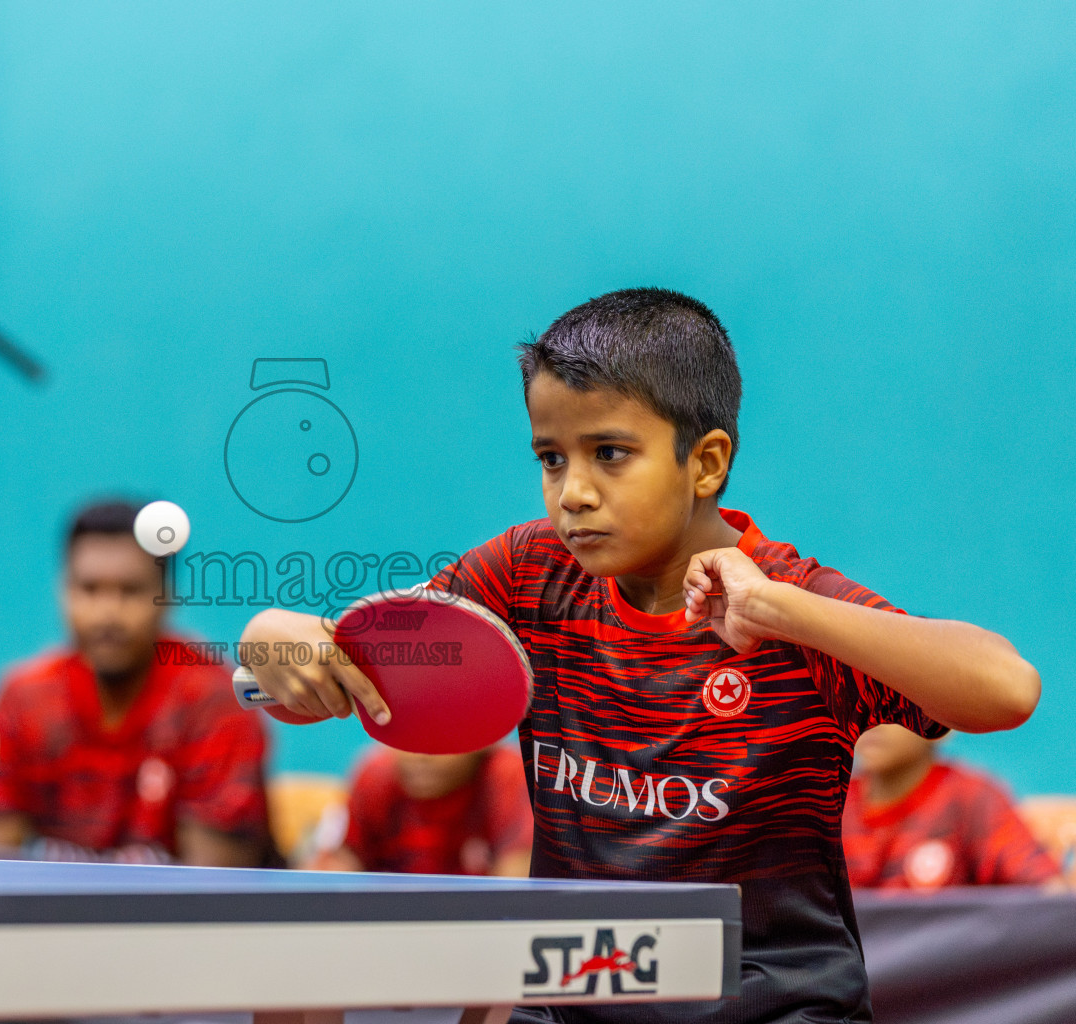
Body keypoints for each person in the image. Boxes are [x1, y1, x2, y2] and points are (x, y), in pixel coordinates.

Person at [239, 289, 1040, 1024]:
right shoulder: (528, 573)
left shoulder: (790, 599)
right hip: (572, 996)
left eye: (609, 454)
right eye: (551, 458)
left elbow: (1006, 688)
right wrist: (272, 634)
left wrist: (785, 612)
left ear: (707, 463)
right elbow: (346, 642)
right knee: (295, 981)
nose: (573, 493)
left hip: (769, 1003)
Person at [0, 499, 272, 867]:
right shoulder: (22, 699)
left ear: (167, 596)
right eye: (90, 589)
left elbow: (214, 893)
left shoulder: (215, 701)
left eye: (130, 590)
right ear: (64, 591)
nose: (108, 613)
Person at [843, 723, 1058, 889]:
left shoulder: (971, 797)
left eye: (895, 700)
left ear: (941, 722)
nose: (873, 719)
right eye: (862, 698)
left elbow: (1046, 894)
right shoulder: (828, 803)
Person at [316, 744, 532, 876]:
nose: (420, 756)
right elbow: (339, 866)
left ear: (486, 740)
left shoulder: (506, 775)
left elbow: (516, 887)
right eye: (406, 736)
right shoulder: (375, 777)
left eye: (443, 737)